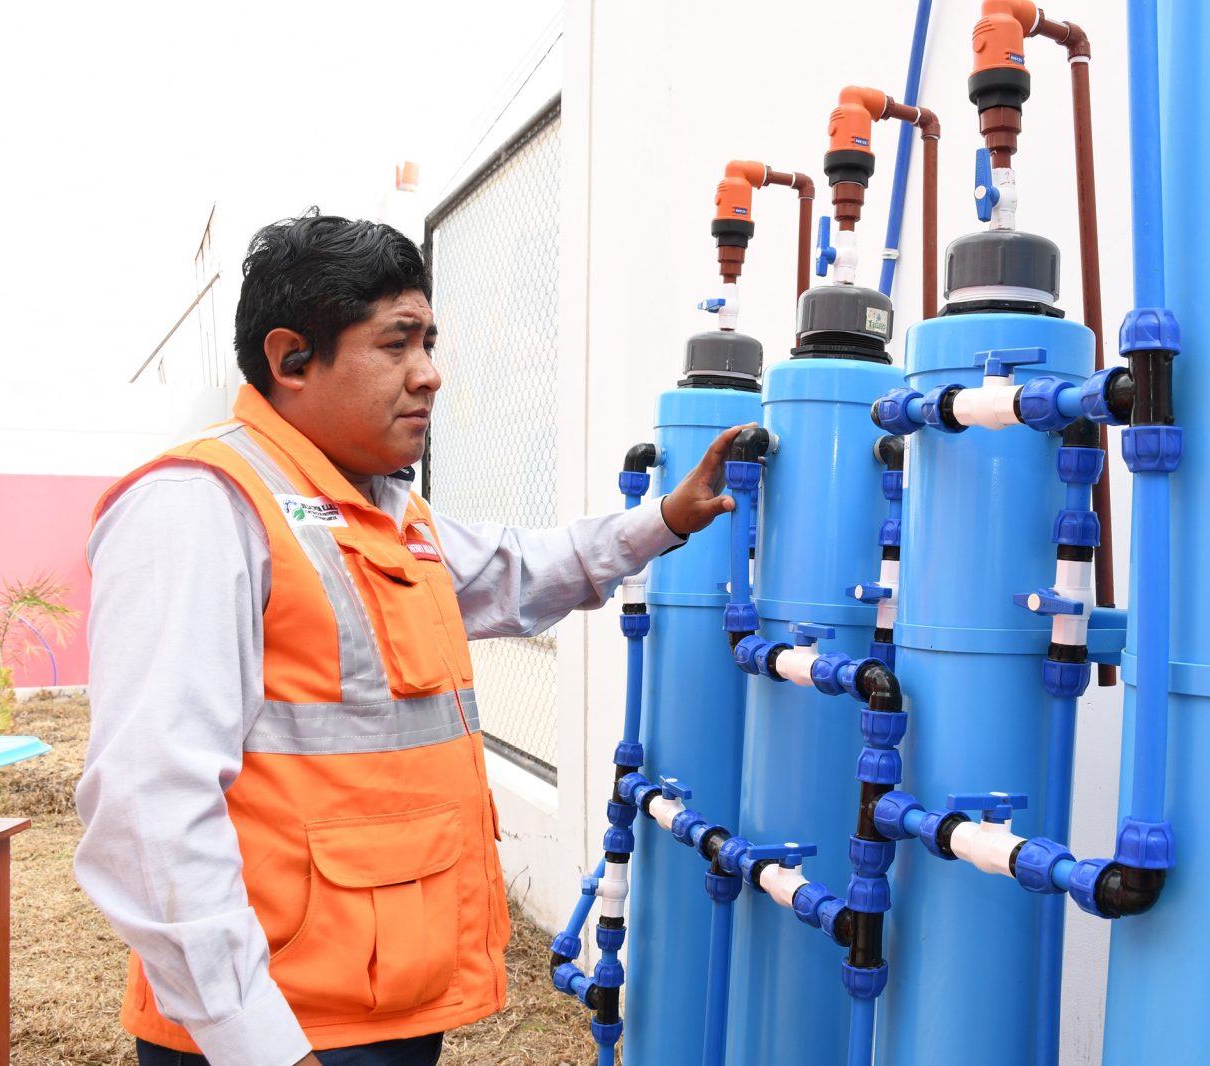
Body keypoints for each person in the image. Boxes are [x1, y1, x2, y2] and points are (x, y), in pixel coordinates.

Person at [75, 211, 746, 1066]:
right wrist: (258, 1042)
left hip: (380, 1009)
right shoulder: (201, 508)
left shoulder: (384, 512)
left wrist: (663, 520)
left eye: (429, 343)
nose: (429, 374)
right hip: (280, 1031)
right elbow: (148, 805)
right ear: (291, 359)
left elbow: (519, 570)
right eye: (396, 344)